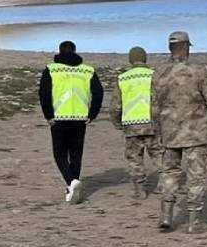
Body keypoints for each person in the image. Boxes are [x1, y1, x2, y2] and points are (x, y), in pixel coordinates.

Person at [153, 30, 207, 232]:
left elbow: (153, 106)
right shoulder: (198, 71)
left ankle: (166, 214)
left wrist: (158, 130)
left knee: (169, 173)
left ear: (170, 48)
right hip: (195, 132)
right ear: (186, 48)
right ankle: (194, 221)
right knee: (195, 175)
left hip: (169, 132)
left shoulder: (159, 74)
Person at [38, 40, 103, 204]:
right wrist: (93, 113)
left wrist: (48, 115)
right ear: (75, 51)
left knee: (59, 154)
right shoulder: (87, 70)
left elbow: (44, 93)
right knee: (76, 154)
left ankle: (71, 182)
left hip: (59, 118)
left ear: (59, 52)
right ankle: (72, 187)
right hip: (80, 118)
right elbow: (98, 92)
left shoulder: (52, 69)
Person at [113, 46, 161, 199]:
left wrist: (116, 122)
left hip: (131, 124)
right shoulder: (155, 76)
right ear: (145, 59)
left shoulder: (123, 78)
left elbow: (116, 105)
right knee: (159, 154)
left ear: (130, 60)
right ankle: (164, 183)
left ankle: (139, 189)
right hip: (153, 123)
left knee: (134, 158)